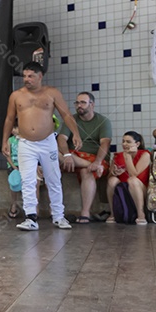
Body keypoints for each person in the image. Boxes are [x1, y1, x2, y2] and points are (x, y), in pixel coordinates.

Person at [1, 62, 80, 231]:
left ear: (40, 76)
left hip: (47, 142)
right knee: (27, 180)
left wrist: (76, 134)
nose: (26, 79)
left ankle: (59, 216)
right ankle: (30, 217)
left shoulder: (52, 93)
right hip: (25, 143)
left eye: (30, 76)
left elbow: (65, 114)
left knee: (53, 179)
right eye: (24, 76)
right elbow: (9, 119)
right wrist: (4, 141)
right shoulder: (16, 96)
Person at [57, 92, 112, 224]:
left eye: (83, 102)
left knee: (86, 171)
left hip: (95, 159)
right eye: (77, 103)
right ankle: (88, 164)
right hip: (72, 158)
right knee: (52, 151)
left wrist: (98, 162)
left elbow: (105, 143)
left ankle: (85, 213)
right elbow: (61, 139)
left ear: (92, 104)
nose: (79, 106)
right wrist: (67, 155)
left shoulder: (103, 121)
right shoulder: (70, 120)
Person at [105, 131, 151, 225]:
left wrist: (128, 157)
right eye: (123, 141)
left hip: (140, 189)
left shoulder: (145, 154)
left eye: (128, 142)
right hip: (123, 189)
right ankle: (113, 214)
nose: (124, 144)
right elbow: (109, 177)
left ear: (137, 144)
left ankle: (141, 215)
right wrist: (114, 173)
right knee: (112, 180)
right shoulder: (118, 155)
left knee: (132, 180)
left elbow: (134, 174)